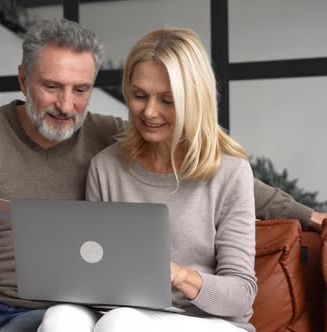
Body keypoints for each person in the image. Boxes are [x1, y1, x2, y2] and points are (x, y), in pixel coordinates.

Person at [0, 18, 327, 332]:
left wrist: (310, 215)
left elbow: (212, 169)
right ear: (23, 79)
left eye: (80, 90)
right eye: (52, 87)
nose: (66, 106)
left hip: (34, 313)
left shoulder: (113, 135)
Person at [39, 28, 255, 332]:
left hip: (208, 322)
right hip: (126, 311)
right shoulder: (106, 167)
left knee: (120, 323)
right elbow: (95, 272)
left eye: (167, 100)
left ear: (194, 99)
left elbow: (242, 296)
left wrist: (179, 275)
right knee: (60, 317)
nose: (149, 112)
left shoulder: (230, 171)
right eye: (140, 96)